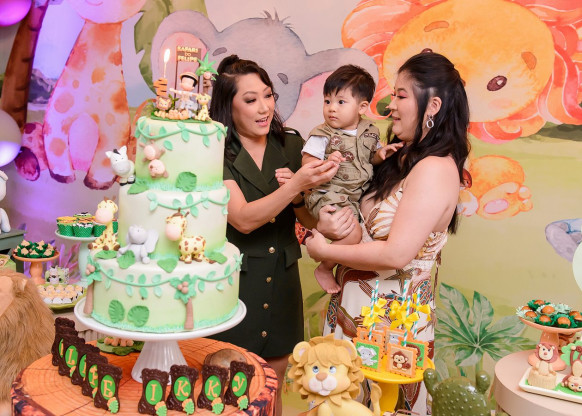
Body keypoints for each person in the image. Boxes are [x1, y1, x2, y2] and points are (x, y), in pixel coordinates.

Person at [305, 51, 471, 413]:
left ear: (433, 106)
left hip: (391, 328)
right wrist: (327, 224)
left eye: (401, 95)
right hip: (353, 314)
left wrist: (326, 253)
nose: (390, 104)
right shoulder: (399, 157)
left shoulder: (435, 168)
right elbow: (353, 213)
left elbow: (397, 254)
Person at [208, 55, 353, 416]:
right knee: (229, 390)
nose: (265, 108)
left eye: (268, 95)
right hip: (236, 283)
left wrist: (311, 202)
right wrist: (296, 185)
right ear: (228, 106)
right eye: (250, 99)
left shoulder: (292, 144)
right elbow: (242, 219)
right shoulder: (216, 151)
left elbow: (306, 215)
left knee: (271, 388)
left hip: (282, 279)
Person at [302, 64, 402, 294]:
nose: (331, 108)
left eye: (340, 102)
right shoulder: (322, 134)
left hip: (353, 198)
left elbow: (370, 158)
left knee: (362, 234)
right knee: (354, 233)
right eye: (327, 101)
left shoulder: (370, 131)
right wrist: (326, 164)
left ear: (362, 107)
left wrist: (381, 155)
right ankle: (325, 268)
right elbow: (306, 164)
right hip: (328, 194)